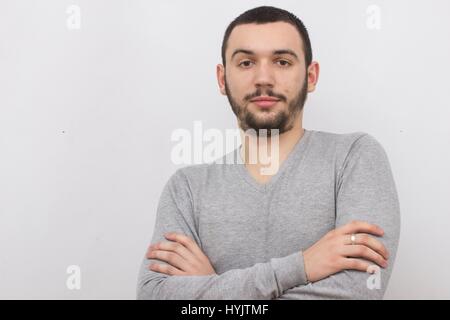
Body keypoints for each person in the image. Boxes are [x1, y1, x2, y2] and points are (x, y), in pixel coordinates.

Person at [137, 6, 400, 299]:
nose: (264, 78)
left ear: (311, 76)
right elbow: (154, 295)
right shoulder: (186, 188)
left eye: (282, 62)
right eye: (246, 63)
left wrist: (211, 286)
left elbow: (356, 294)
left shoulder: (355, 158)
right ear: (222, 79)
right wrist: (300, 266)